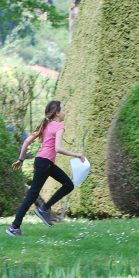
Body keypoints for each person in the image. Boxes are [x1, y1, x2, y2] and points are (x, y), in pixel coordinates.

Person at [7, 100, 85, 236]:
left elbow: (26, 141)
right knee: (32, 194)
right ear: (57, 113)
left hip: (43, 162)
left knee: (68, 184)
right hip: (45, 163)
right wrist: (76, 154)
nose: (66, 112)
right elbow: (58, 148)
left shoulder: (45, 124)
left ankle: (44, 209)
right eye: (64, 110)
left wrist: (20, 159)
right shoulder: (59, 126)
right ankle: (14, 226)